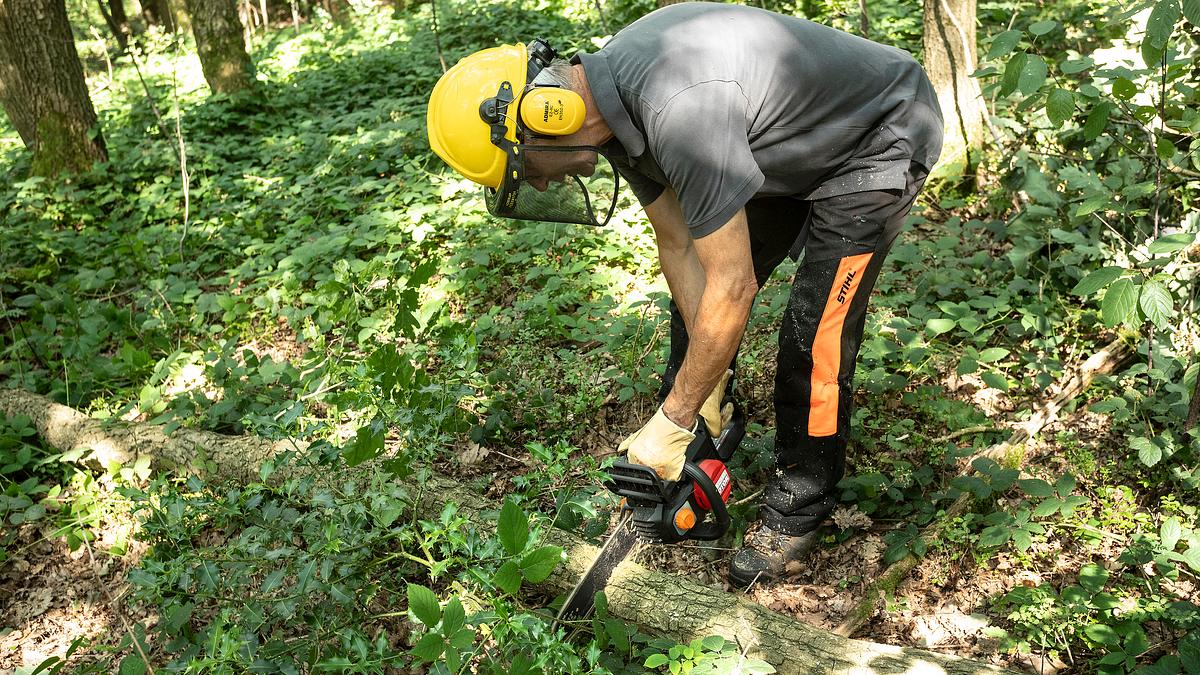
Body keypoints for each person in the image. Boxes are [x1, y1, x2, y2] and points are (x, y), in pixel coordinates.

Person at [426, 1, 943, 587]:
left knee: (814, 333)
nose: (543, 182)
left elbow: (732, 284)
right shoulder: (614, 116)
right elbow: (678, 245)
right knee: (697, 323)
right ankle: (703, 449)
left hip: (879, 136)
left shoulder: (677, 111)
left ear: (547, 114)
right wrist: (702, 386)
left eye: (528, 168)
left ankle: (797, 512)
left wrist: (672, 416)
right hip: (782, 147)